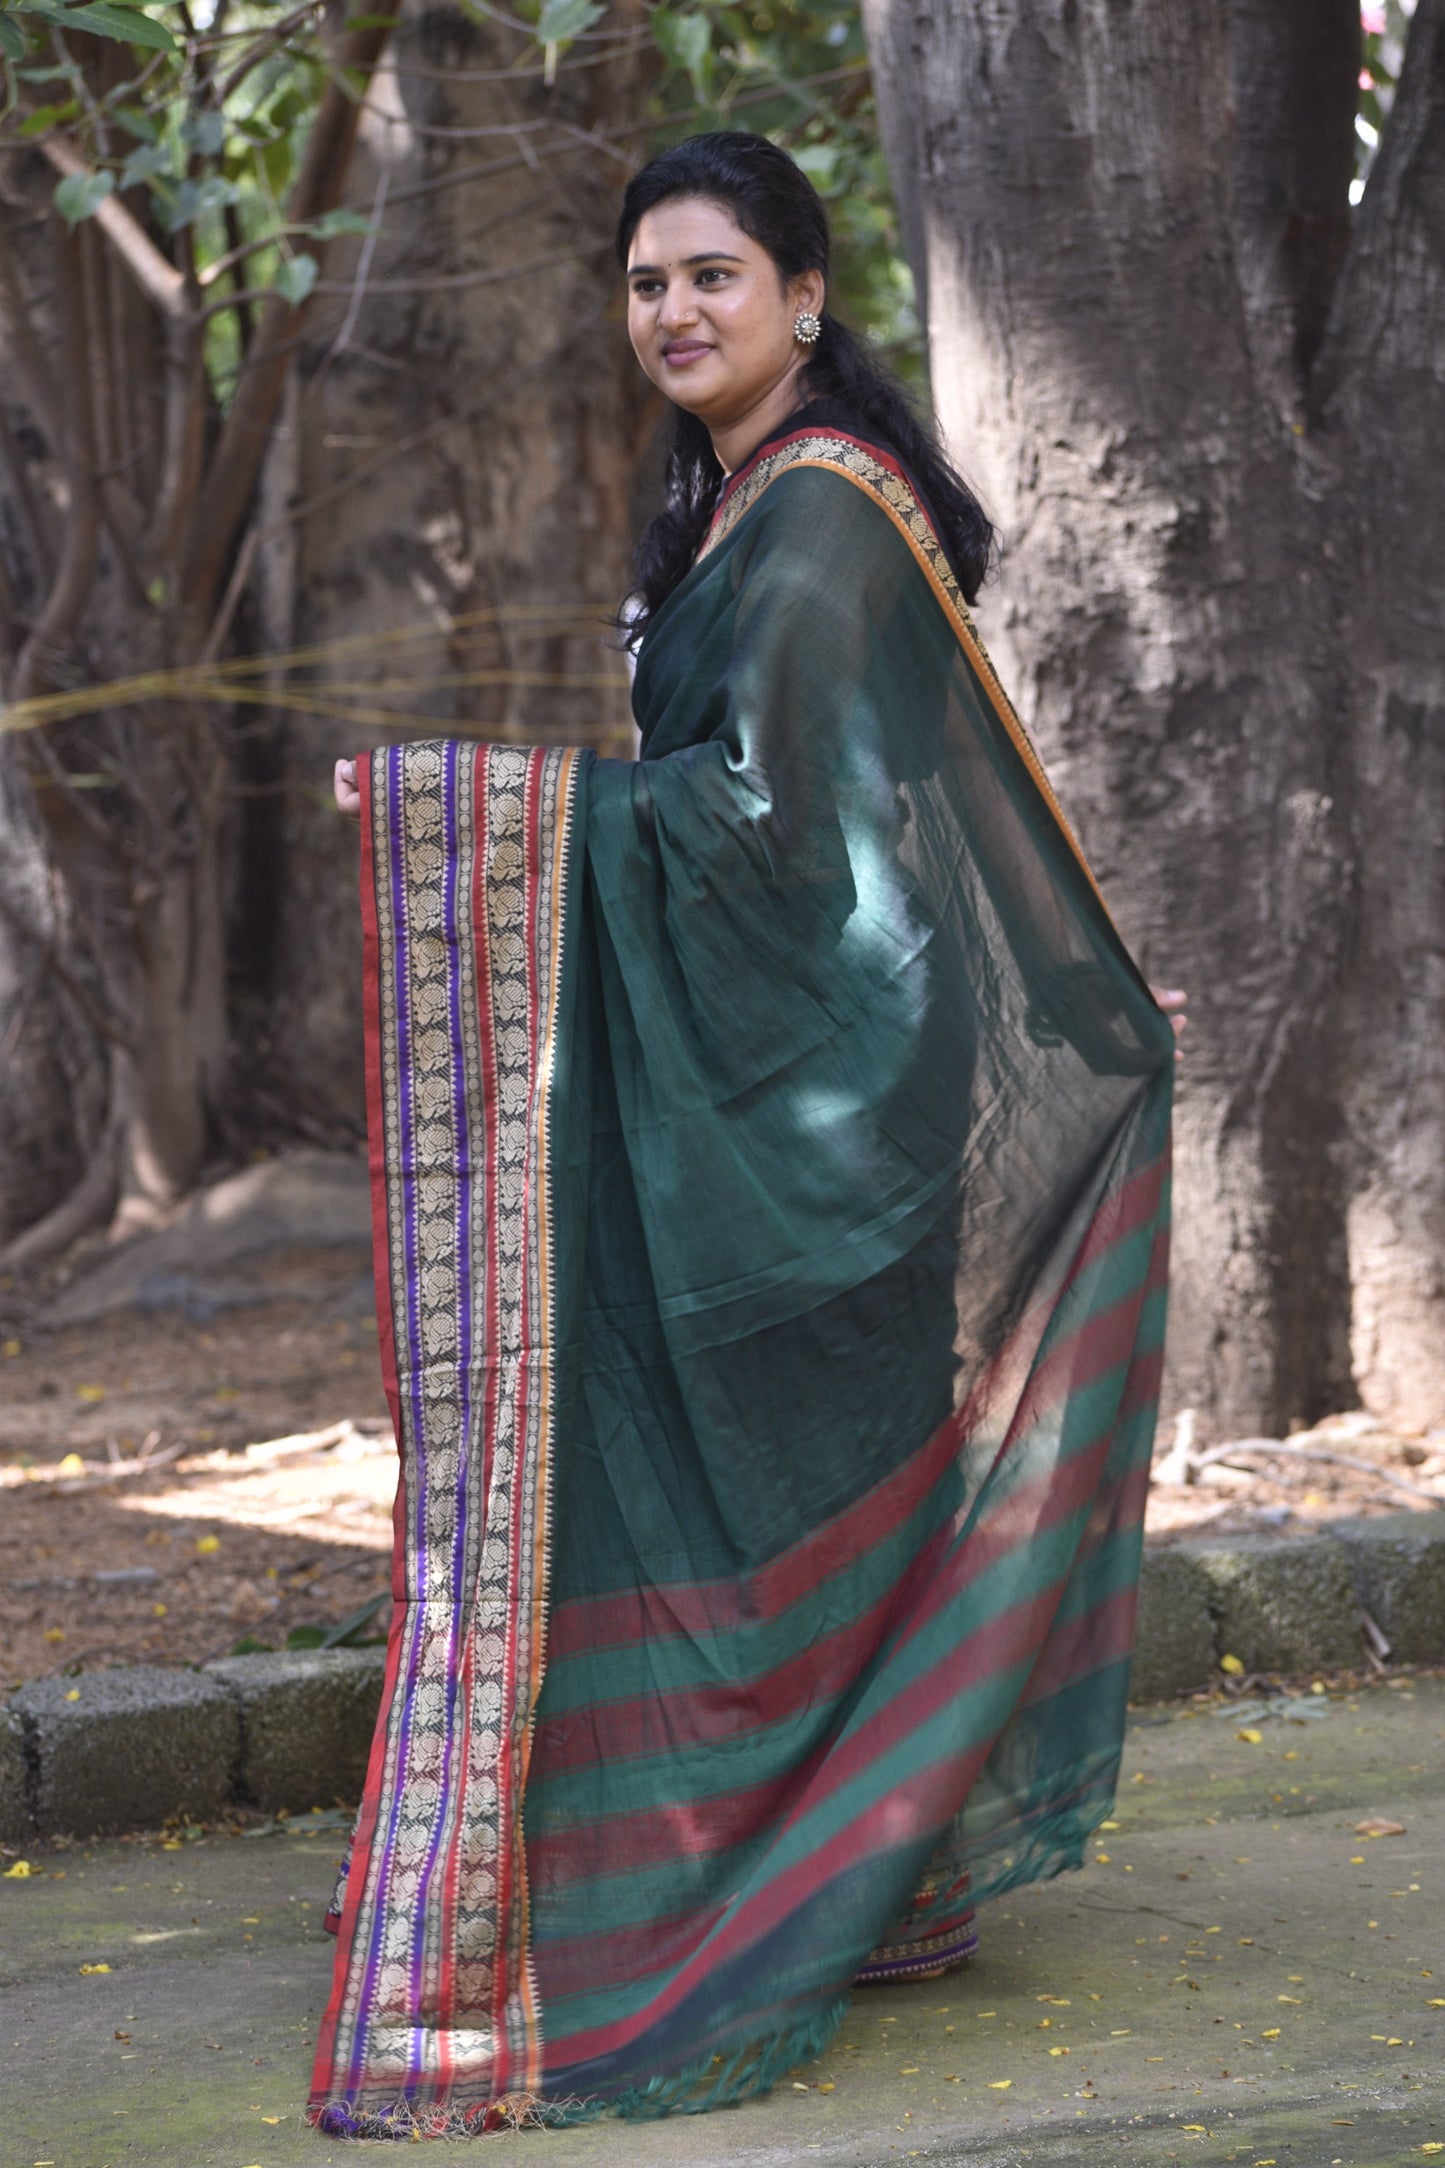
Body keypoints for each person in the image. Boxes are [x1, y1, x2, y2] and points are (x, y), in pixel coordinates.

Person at [314, 132, 1184, 2139]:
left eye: (714, 275)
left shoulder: (818, 526)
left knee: (807, 1444)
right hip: (780, 1052)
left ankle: (857, 1867)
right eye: (646, 285)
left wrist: (468, 810)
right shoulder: (727, 503)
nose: (675, 314)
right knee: (804, 1448)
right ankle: (871, 1865)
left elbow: (781, 835)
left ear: (806, 295)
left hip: (819, 1069)